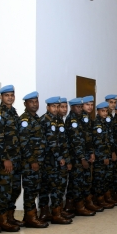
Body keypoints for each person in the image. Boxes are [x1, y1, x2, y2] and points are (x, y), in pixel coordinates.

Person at [18, 92, 52, 227]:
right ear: (25, 104)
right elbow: (23, 142)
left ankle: (31, 216)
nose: (35, 104)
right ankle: (30, 217)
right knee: (31, 190)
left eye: (36, 102)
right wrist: (32, 160)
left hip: (39, 161)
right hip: (30, 163)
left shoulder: (36, 118)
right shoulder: (25, 120)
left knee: (36, 188)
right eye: (31, 102)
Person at [0, 85, 22, 231]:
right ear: (1, 97)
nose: (10, 97)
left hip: (16, 159)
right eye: (7, 95)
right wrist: (5, 159)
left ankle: (10, 217)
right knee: (4, 190)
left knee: (14, 189)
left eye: (12, 95)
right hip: (6, 160)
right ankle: (2, 220)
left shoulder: (13, 112)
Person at [39, 96, 73, 224]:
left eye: (57, 106)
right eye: (53, 106)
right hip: (49, 161)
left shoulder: (59, 120)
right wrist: (60, 157)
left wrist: (67, 158)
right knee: (50, 187)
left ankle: (56, 211)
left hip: (59, 160)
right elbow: (51, 142)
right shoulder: (45, 120)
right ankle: (49, 212)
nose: (56, 109)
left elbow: (63, 141)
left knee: (58, 187)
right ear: (48, 107)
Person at [65, 98, 99, 214]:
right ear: (72, 107)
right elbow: (76, 141)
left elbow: (88, 138)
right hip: (76, 157)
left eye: (80, 107)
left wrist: (91, 152)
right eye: (77, 107)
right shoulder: (72, 120)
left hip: (84, 154)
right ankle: (79, 206)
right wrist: (82, 158)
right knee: (77, 182)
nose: (79, 109)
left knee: (83, 180)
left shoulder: (83, 118)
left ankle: (77, 204)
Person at [92, 102, 116, 209]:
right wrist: (104, 157)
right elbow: (98, 143)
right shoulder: (97, 124)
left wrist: (111, 153)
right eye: (103, 111)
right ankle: (99, 199)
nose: (105, 113)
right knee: (99, 179)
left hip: (107, 155)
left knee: (107, 177)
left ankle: (105, 198)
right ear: (98, 111)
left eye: (106, 111)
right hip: (100, 157)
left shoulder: (105, 123)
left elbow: (109, 141)